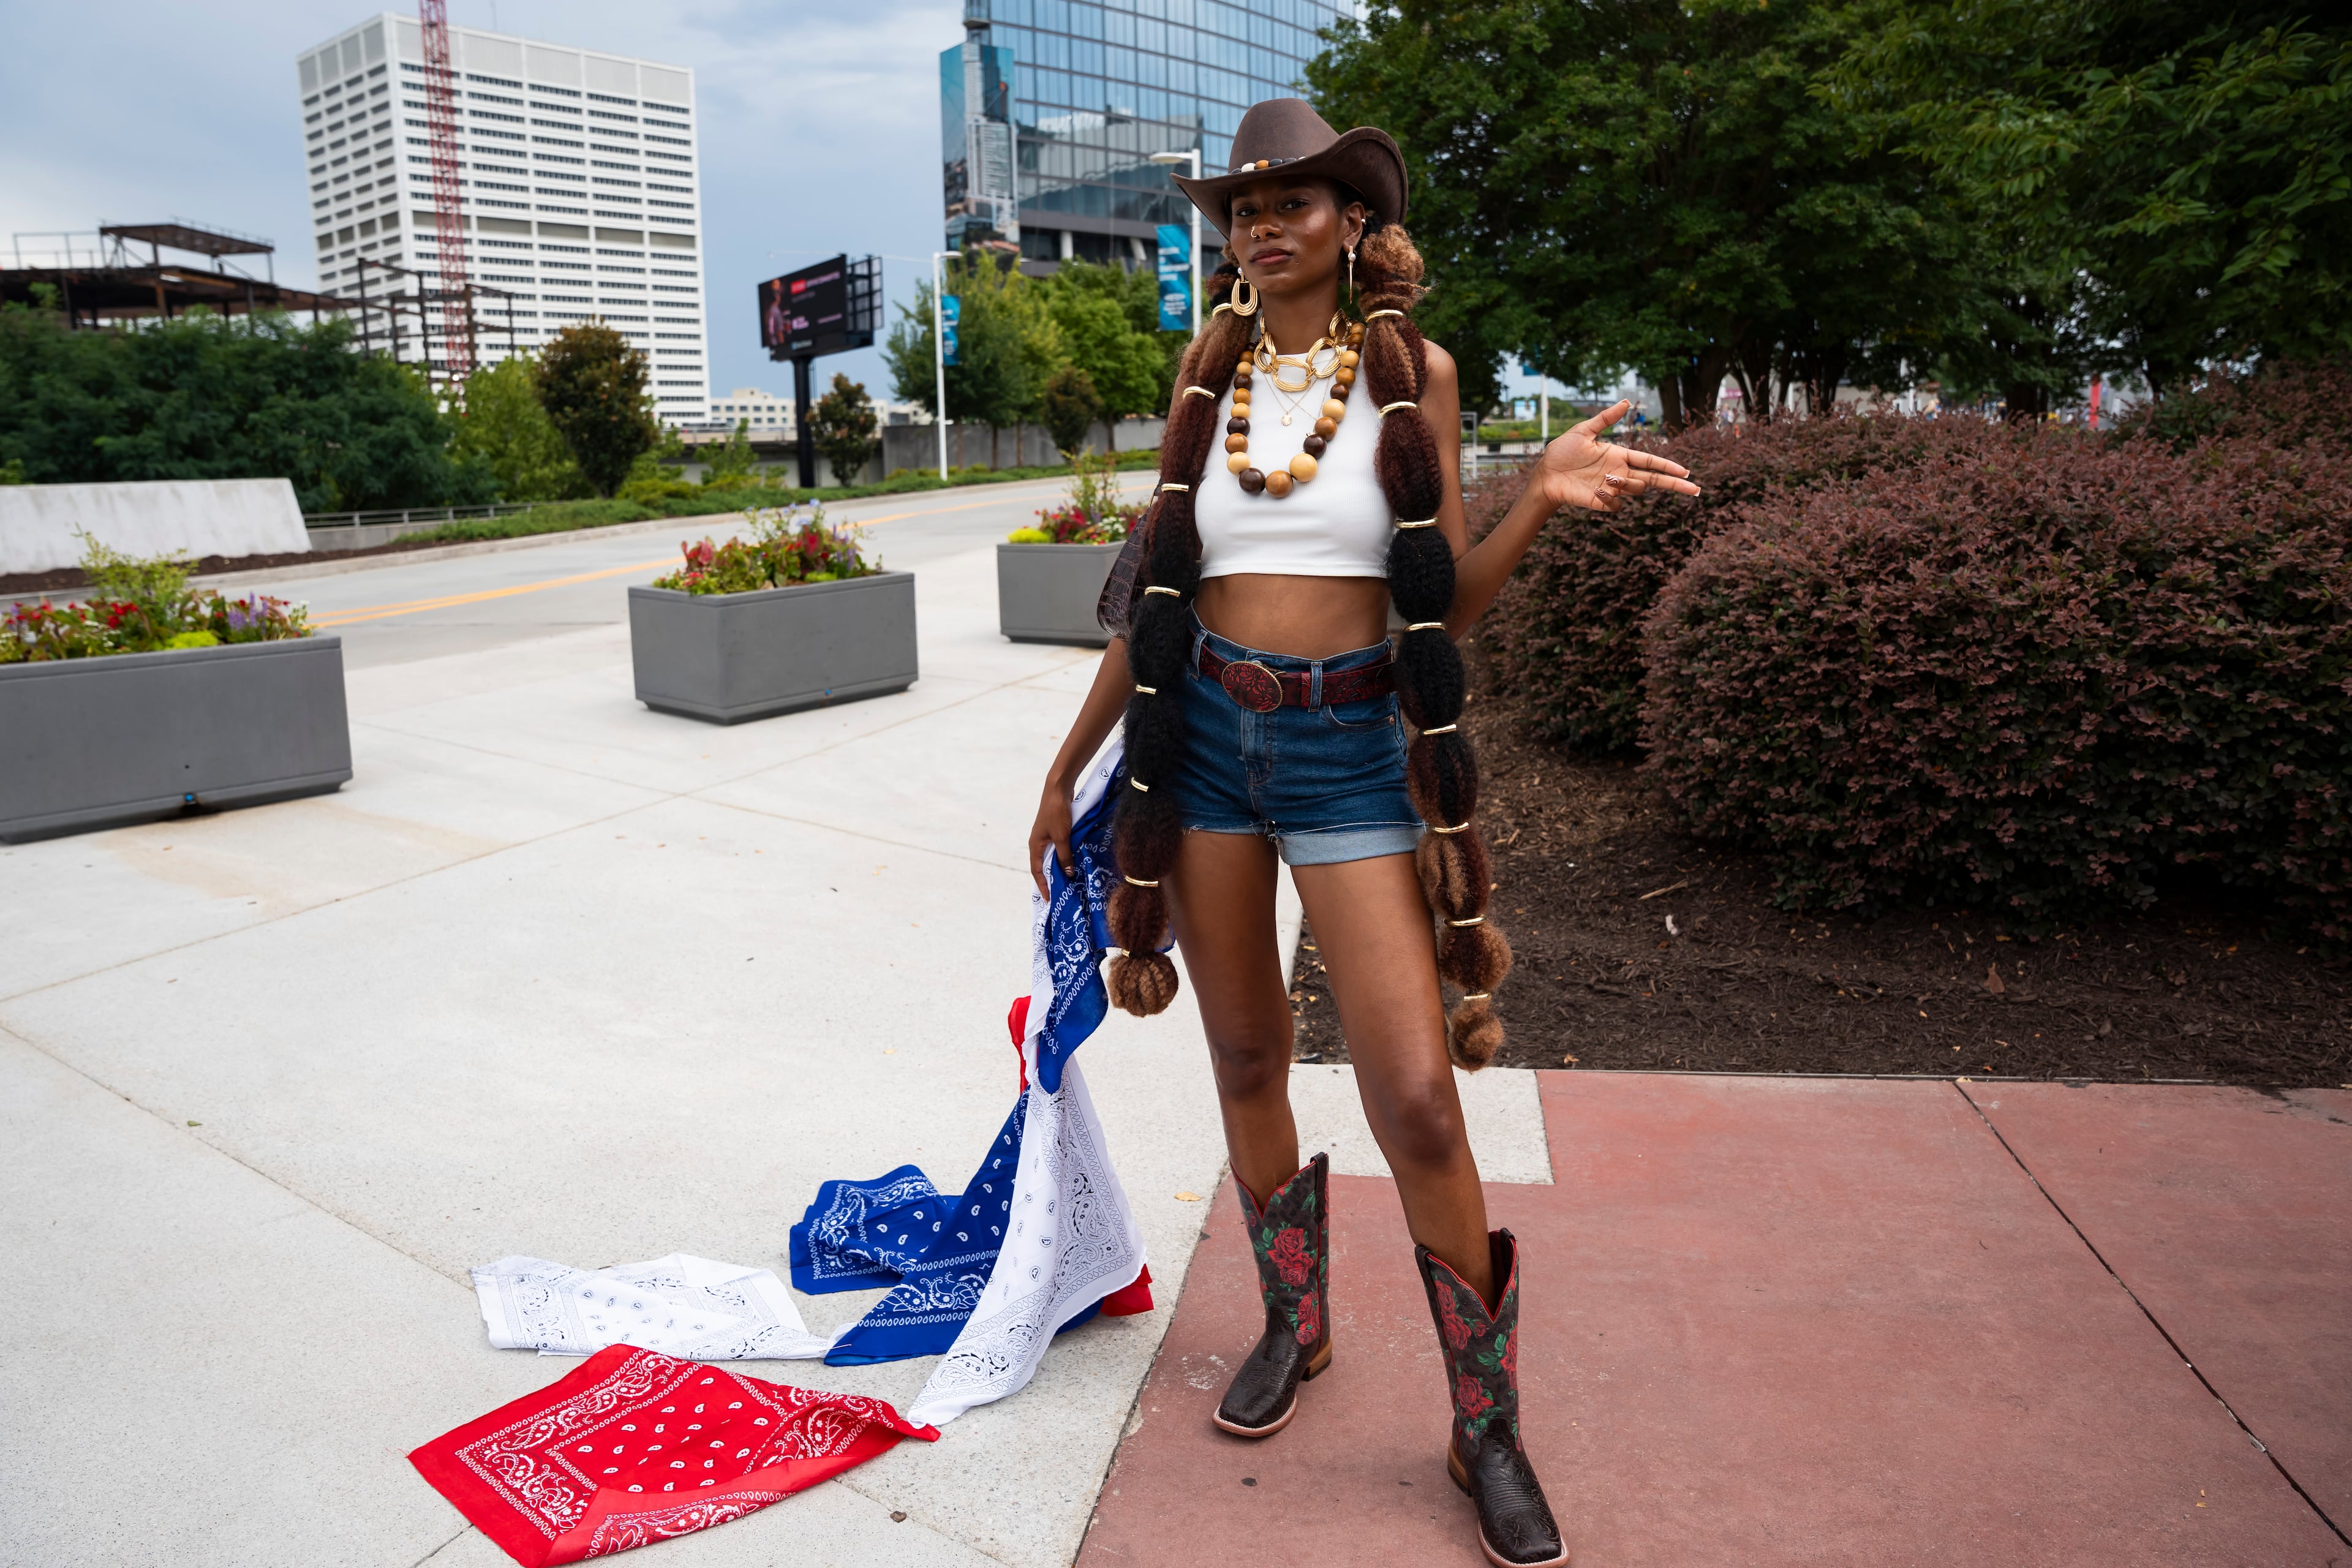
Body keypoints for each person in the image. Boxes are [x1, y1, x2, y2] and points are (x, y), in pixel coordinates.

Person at [1024, 99, 1700, 1568]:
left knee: (1410, 1092)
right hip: (1201, 744)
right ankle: (1295, 1324)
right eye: (1244, 208)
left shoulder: (1415, 377)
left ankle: (1487, 1426)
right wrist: (1067, 762)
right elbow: (1153, 601)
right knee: (1248, 1053)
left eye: (1295, 202)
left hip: (1345, 756)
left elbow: (1441, 604)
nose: (1263, 224)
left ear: (1351, 221)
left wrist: (1538, 498)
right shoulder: (1202, 378)